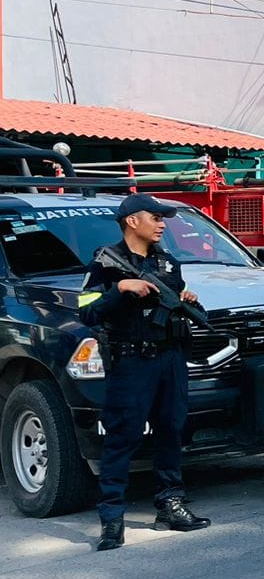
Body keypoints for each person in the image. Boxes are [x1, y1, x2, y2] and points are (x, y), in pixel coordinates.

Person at [77, 193, 213, 551]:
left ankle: (171, 505)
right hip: (132, 362)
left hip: (169, 360)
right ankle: (111, 519)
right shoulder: (106, 263)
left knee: (171, 431)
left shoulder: (167, 263)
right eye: (155, 217)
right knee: (122, 438)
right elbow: (87, 312)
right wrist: (121, 289)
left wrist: (188, 299)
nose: (162, 223)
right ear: (132, 221)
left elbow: (176, 296)